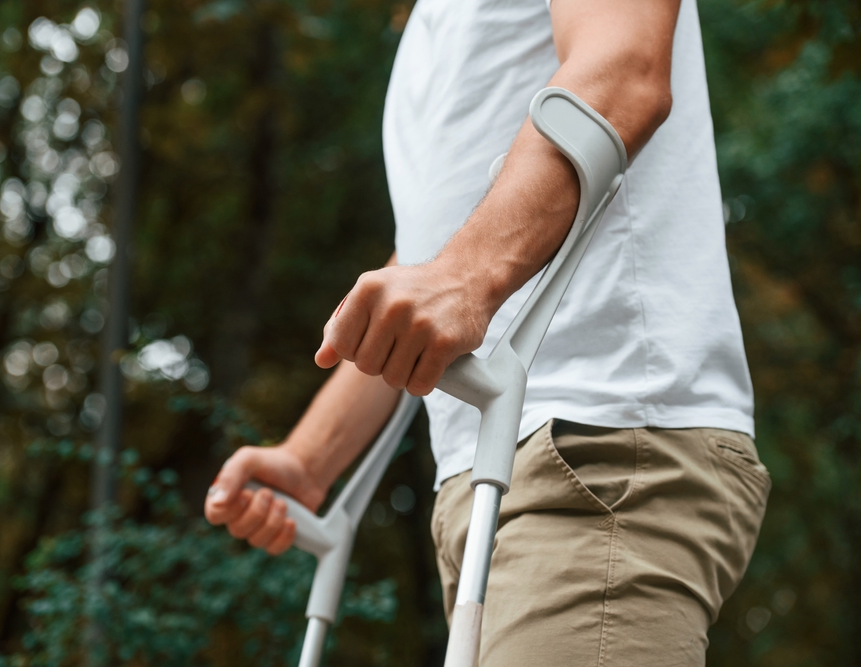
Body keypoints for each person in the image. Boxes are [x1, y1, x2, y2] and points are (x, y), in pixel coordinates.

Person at [205, 0, 770, 663]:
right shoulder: (429, 27)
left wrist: (465, 276)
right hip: (493, 478)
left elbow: (624, 69)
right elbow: (426, 272)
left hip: (599, 443)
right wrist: (309, 460)